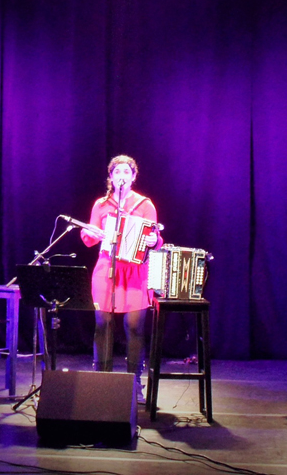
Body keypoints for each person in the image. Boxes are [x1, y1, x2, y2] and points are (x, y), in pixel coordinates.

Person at [80, 155, 162, 402]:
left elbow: (155, 238)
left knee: (134, 326)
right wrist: (91, 233)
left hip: (135, 271)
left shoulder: (145, 204)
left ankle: (134, 383)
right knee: (103, 323)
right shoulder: (101, 204)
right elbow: (89, 238)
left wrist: (153, 240)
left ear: (133, 176)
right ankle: (101, 380)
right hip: (107, 268)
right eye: (117, 172)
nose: (122, 176)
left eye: (126, 172)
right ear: (111, 177)